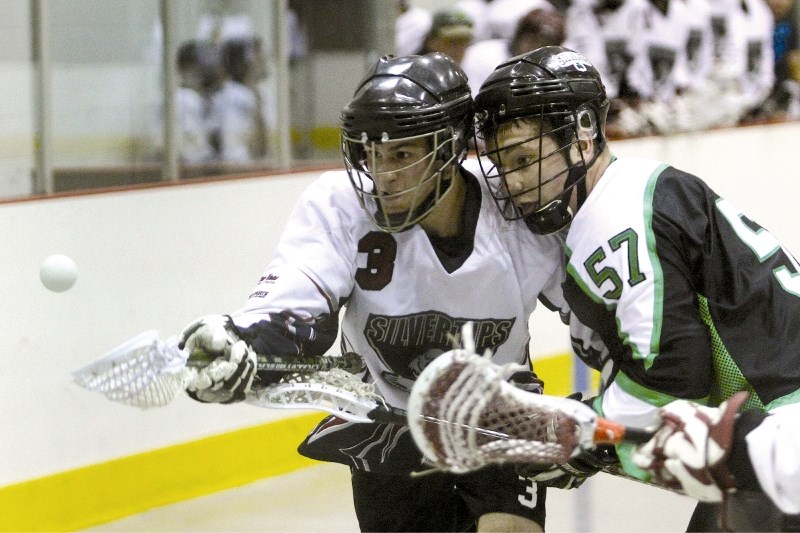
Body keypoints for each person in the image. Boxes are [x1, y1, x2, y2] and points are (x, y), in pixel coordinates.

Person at [176, 52, 582, 532]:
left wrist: (598, 413)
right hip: (385, 420)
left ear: (451, 146)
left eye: (402, 154)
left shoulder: (516, 211)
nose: (382, 174)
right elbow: (295, 300)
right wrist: (243, 340)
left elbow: (601, 319)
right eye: (372, 154)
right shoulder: (341, 205)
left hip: (497, 415)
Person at [471, 45, 800, 529]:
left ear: (583, 138)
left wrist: (584, 436)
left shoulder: (613, 220)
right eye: (506, 164)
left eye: (525, 158)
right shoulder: (634, 193)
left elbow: (675, 376)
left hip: (783, 432)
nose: (516, 182)